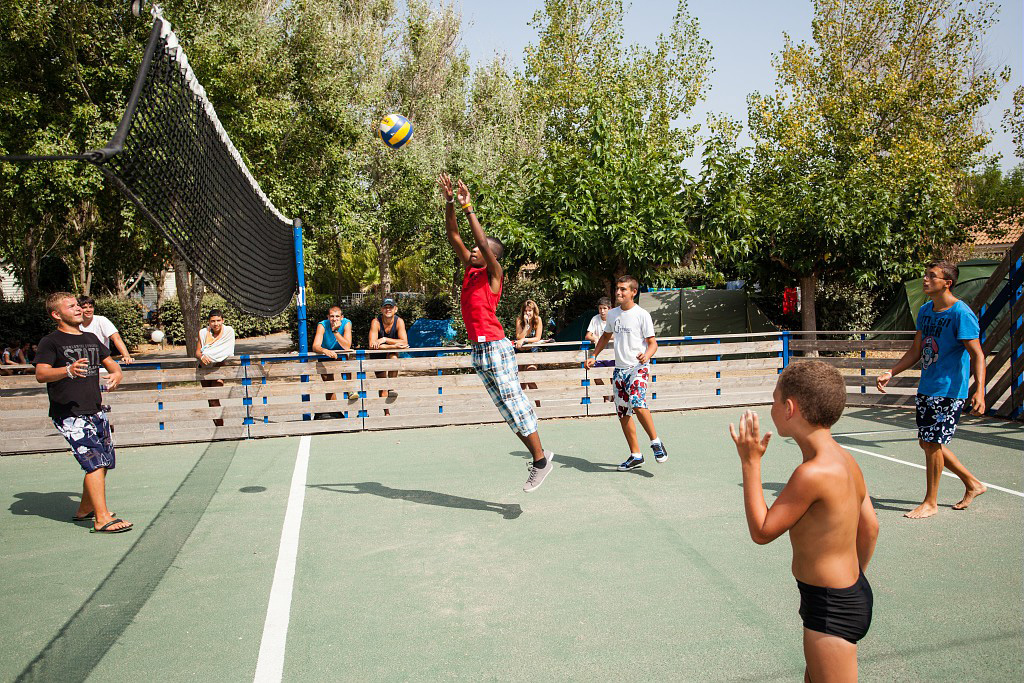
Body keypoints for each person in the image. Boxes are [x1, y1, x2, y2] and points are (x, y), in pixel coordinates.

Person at [730, 361, 878, 683]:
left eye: (773, 400)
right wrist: (856, 580)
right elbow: (871, 527)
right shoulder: (846, 459)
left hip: (830, 607)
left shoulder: (812, 473)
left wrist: (750, 463)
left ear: (789, 408)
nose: (770, 406)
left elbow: (762, 531)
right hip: (845, 594)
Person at [438, 172, 554, 492]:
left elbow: (477, 240)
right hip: (478, 350)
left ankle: (541, 461)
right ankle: (540, 457)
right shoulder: (469, 270)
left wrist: (468, 207)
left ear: (490, 256)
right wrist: (450, 202)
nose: (473, 251)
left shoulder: (494, 274)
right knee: (507, 410)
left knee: (514, 403)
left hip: (495, 346)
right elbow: (453, 236)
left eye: (480, 249)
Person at [877, 260, 987, 519]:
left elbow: (978, 355)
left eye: (931, 276)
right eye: (925, 275)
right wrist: (891, 372)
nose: (925, 279)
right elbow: (916, 350)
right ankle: (973, 484)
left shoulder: (961, 314)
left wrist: (980, 390)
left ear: (947, 283)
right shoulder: (926, 311)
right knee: (927, 442)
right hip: (927, 387)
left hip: (949, 390)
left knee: (933, 443)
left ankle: (930, 502)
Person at [34, 292, 131, 533]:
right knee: (95, 463)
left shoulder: (90, 338)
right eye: (71, 306)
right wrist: (67, 370)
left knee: (105, 461)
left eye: (78, 305)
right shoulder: (51, 342)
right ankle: (101, 519)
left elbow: (113, 365)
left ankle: (85, 509)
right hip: (70, 414)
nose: (78, 309)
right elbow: (41, 374)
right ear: (57, 315)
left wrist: (117, 375)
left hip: (96, 410)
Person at [584, 276, 667, 471]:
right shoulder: (612, 314)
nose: (618, 293)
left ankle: (655, 442)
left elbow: (653, 343)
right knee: (623, 413)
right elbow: (605, 337)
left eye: (623, 289)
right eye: (617, 289)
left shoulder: (642, 315)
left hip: (638, 368)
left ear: (633, 292)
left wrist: (646, 356)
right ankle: (636, 455)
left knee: (638, 402)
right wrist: (594, 356)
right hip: (620, 371)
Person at [196, 309, 236, 427]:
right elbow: (198, 352)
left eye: (218, 320)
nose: (216, 323)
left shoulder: (228, 331)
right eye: (213, 321)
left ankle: (221, 427)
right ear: (209, 322)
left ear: (223, 320)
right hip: (204, 368)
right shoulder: (203, 333)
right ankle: (218, 426)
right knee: (210, 399)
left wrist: (208, 353)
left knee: (215, 396)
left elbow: (226, 351)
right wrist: (202, 356)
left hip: (219, 367)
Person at [368, 298, 409, 414]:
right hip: (377, 354)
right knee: (382, 384)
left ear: (395, 309)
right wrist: (394, 345)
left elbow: (404, 342)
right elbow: (372, 345)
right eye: (385, 307)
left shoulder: (399, 321)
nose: (388, 309)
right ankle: (386, 412)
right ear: (381, 309)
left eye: (390, 307)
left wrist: (384, 340)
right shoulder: (375, 322)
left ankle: (392, 386)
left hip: (390, 352)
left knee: (394, 359)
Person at [312, 305, 354, 411]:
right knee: (329, 385)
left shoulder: (347, 323)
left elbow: (347, 346)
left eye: (337, 316)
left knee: (346, 367)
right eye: (332, 316)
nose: (334, 319)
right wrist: (325, 350)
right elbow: (315, 346)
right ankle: (335, 412)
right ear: (328, 317)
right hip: (326, 354)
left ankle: (350, 388)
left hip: (341, 354)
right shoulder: (322, 325)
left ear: (342, 317)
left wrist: (335, 332)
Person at [78, 296, 134, 364]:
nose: (88, 310)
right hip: (81, 366)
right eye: (84, 307)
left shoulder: (101, 320)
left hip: (101, 365)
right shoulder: (74, 324)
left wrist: (126, 356)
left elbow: (116, 338)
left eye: (91, 307)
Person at [584, 296, 614, 367]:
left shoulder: (614, 319)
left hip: (612, 353)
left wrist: (601, 338)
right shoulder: (595, 319)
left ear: (610, 309)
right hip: (598, 354)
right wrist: (594, 338)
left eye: (604, 308)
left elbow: (617, 335)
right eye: (600, 308)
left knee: (611, 376)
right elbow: (587, 336)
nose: (602, 311)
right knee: (596, 375)